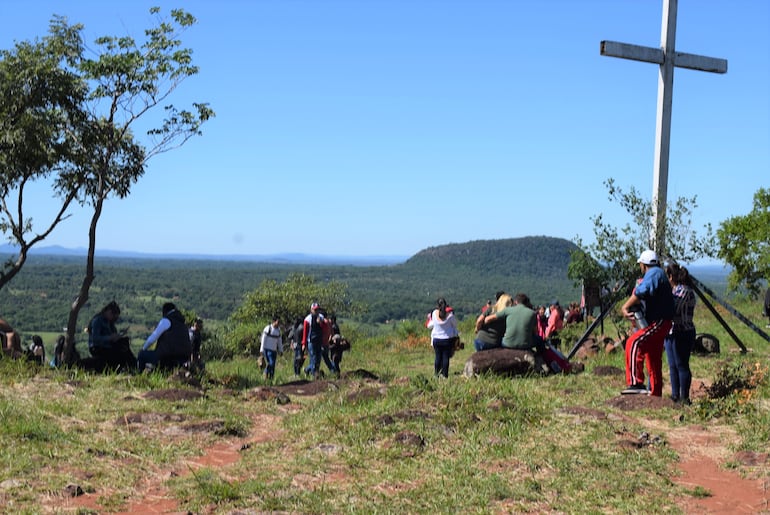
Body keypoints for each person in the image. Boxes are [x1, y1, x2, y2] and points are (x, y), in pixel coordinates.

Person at [620, 250, 675, 396]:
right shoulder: (659, 273)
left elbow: (642, 291)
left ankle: (635, 382)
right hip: (663, 322)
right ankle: (656, 393)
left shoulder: (654, 273)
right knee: (653, 357)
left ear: (644, 265)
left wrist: (625, 306)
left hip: (659, 321)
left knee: (633, 343)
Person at [664, 263, 696, 404]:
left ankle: (684, 398)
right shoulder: (675, 291)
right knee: (672, 365)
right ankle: (675, 395)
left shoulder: (684, 291)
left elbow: (674, 309)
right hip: (672, 332)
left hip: (683, 332)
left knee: (682, 365)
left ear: (671, 277)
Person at [138, 302, 192, 372]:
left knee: (142, 355)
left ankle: (140, 376)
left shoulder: (166, 320)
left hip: (167, 356)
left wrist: (143, 349)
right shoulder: (183, 324)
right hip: (183, 358)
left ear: (164, 311)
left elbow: (152, 339)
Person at [88, 301, 136, 372]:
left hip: (108, 346)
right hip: (98, 348)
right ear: (109, 312)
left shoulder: (109, 322)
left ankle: (134, 366)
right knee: (120, 354)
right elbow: (95, 338)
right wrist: (109, 338)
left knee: (124, 347)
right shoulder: (97, 321)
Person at [427, 297, 458, 378]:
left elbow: (432, 323)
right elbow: (455, 324)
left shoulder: (434, 313)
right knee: (445, 358)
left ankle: (436, 374)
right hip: (446, 340)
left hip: (436, 339)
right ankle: (445, 375)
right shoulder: (450, 316)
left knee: (437, 357)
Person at [302, 302, 325, 379]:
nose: (316, 311)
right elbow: (305, 332)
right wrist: (304, 344)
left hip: (319, 341)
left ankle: (307, 369)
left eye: (317, 310)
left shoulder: (321, 317)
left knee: (318, 359)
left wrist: (320, 323)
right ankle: (314, 374)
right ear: (311, 310)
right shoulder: (307, 319)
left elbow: (324, 328)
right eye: (315, 310)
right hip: (311, 341)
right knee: (314, 358)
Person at [260, 315, 283, 380]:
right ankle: (265, 372)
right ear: (274, 321)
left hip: (274, 350)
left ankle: (271, 378)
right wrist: (261, 349)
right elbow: (263, 339)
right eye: (278, 322)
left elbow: (279, 341)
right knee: (271, 363)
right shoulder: (268, 329)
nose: (278, 323)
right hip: (267, 350)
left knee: (273, 365)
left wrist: (281, 350)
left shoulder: (278, 331)